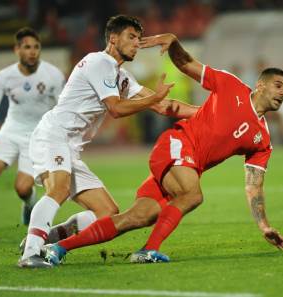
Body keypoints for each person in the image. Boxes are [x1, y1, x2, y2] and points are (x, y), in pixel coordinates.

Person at [44, 33, 283, 267]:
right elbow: (187, 63)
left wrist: (264, 227)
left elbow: (254, 186)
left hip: (183, 166)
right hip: (176, 144)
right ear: (260, 85)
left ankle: (57, 249)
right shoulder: (231, 86)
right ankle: (148, 250)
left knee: (136, 218)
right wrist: (173, 42)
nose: (282, 92)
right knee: (193, 195)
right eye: (278, 85)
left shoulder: (262, 140)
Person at [18, 16, 198, 268]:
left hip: (70, 147)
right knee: (57, 190)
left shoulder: (121, 76)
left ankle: (46, 236)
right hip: (53, 135)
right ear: (113, 38)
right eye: (131, 37)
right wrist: (153, 98)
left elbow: (164, 105)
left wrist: (209, 112)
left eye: (138, 38)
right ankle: (30, 254)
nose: (137, 44)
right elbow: (115, 108)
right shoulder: (99, 62)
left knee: (107, 213)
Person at [0, 27, 65, 225]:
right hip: (11, 130)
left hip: (37, 136)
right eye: (27, 47)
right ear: (17, 50)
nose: (32, 51)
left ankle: (29, 206)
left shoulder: (53, 75)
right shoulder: (5, 76)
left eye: (36, 47)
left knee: (22, 188)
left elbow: (63, 109)